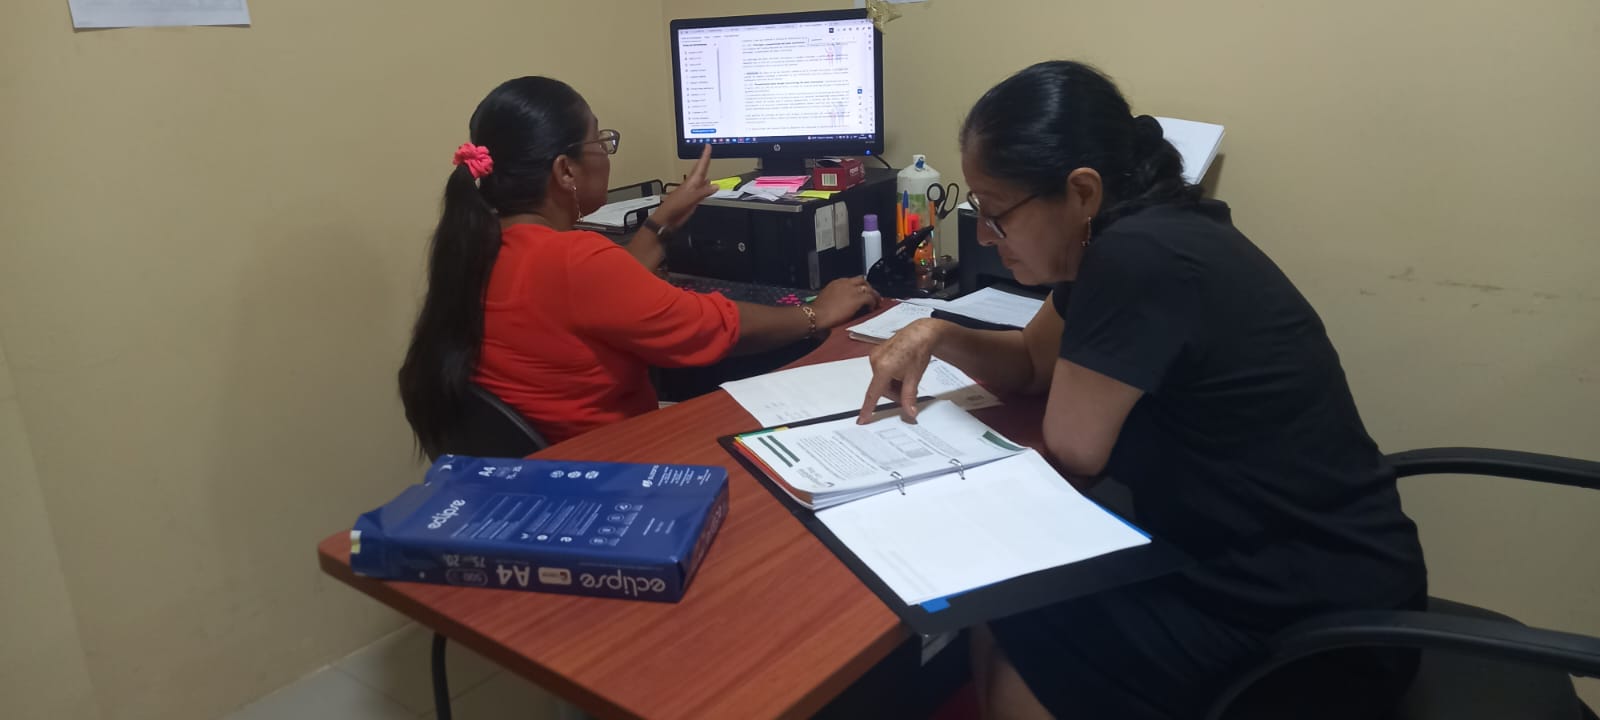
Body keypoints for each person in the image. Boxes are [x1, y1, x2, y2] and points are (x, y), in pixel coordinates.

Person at [858, 62, 1427, 719]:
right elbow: (1034, 363)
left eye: (996, 214)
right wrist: (937, 333)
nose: (985, 236)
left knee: (1022, 612)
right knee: (1010, 606)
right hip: (1288, 562)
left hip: (1305, 622)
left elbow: (1074, 448)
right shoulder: (1133, 231)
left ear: (1081, 191)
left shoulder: (1136, 258)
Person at [399, 76, 878, 456]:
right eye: (599, 142)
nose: (605, 153)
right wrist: (816, 312)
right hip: (611, 465)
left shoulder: (479, 245)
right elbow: (710, 328)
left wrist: (659, 224)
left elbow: (595, 297)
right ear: (565, 170)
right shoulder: (574, 259)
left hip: (545, 470)